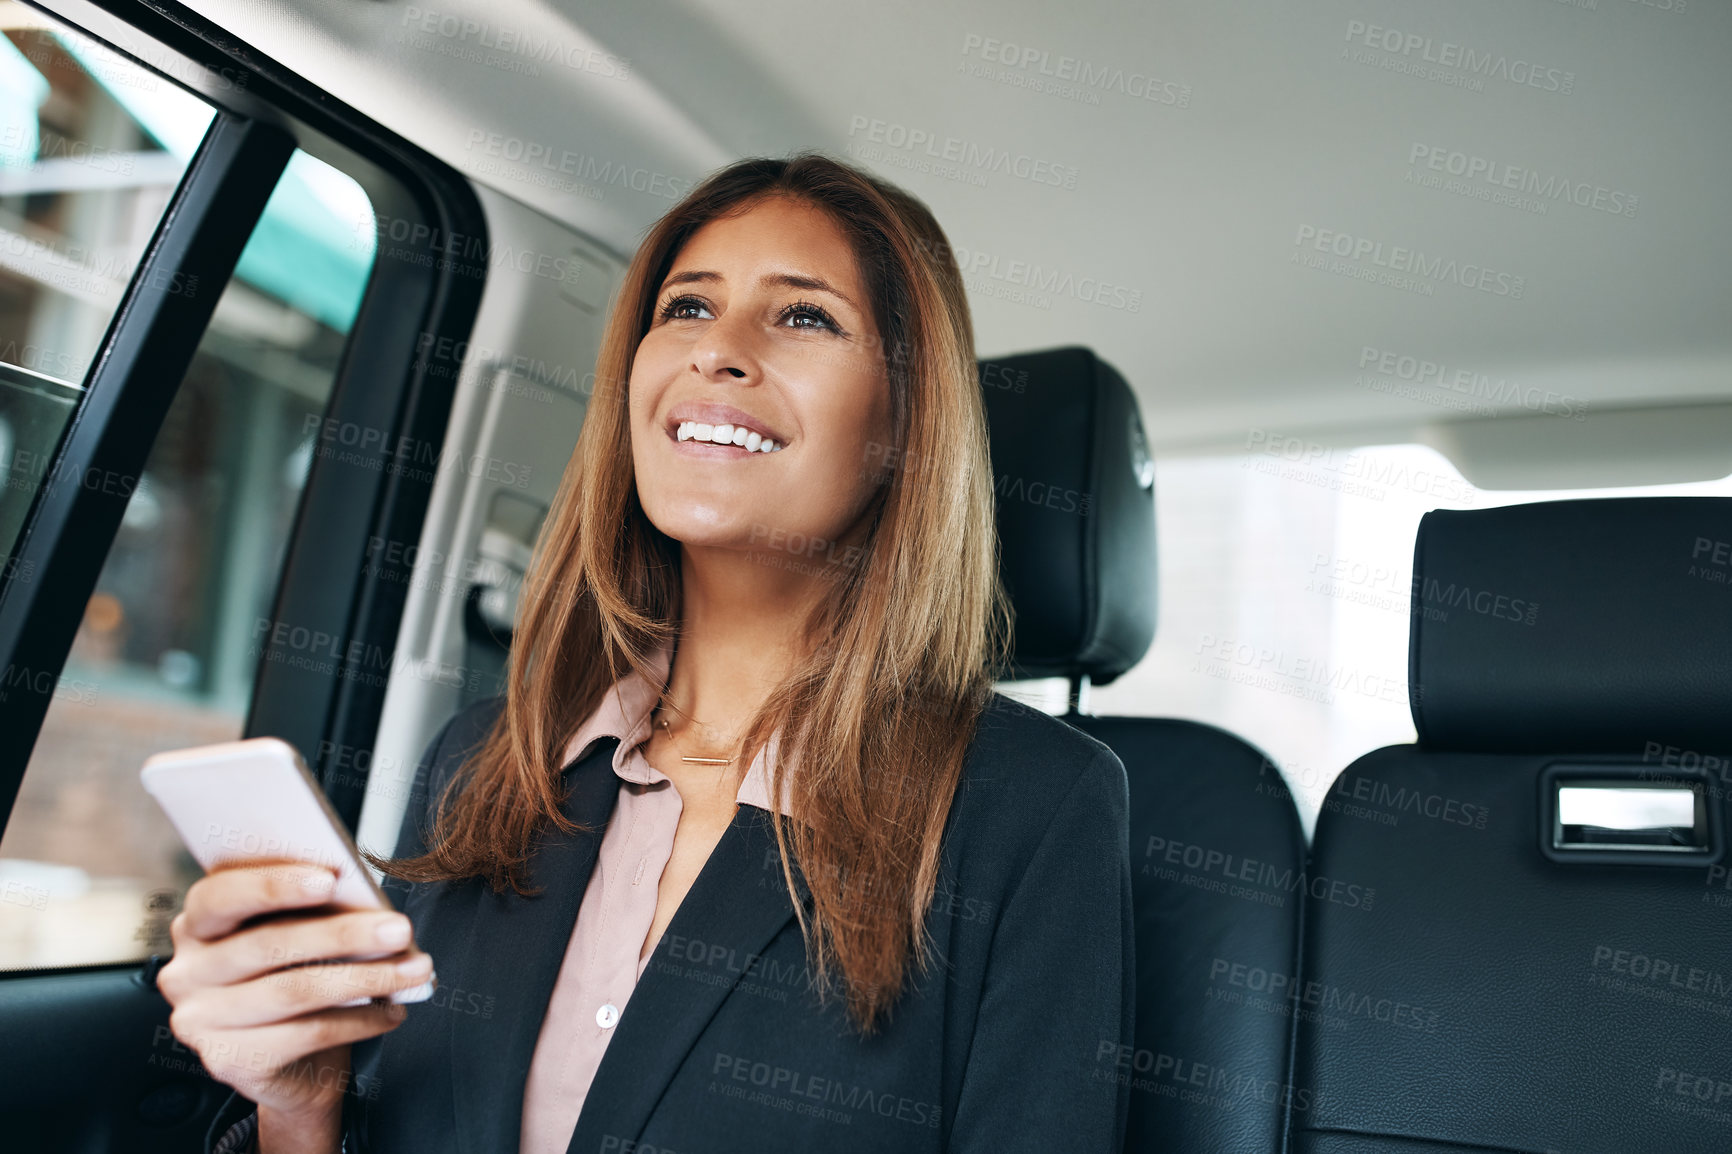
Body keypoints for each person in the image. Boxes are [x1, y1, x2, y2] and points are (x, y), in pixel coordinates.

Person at [158, 152, 1134, 1154]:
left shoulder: (1035, 806)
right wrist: (298, 1101)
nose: (717, 351)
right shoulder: (483, 760)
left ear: (906, 420)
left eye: (803, 316)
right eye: (685, 308)